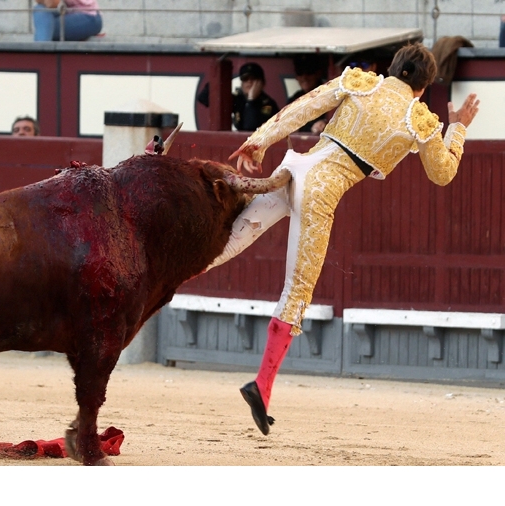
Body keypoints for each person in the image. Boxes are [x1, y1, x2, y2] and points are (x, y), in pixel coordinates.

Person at [206, 43, 480, 436]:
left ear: (392, 68)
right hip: (318, 195)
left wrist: (260, 140)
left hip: (295, 167)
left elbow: (305, 107)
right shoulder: (418, 118)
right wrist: (458, 128)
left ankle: (164, 272)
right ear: (422, 88)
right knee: (296, 292)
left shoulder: (361, 82)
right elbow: (442, 173)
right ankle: (261, 387)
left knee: (225, 246)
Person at [197, 62, 280, 131]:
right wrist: (220, 81)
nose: (249, 82)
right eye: (245, 79)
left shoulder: (268, 104)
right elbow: (203, 98)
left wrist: (251, 100)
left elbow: (250, 127)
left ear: (262, 83)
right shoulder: (239, 99)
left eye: (253, 79)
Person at [288, 54, 327, 134]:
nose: (304, 77)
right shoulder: (294, 100)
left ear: (318, 73)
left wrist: (324, 123)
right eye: (300, 72)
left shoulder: (328, 95)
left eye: (309, 71)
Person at [33, 0, 102, 42]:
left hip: (89, 17)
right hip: (67, 12)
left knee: (45, 28)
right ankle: (40, 54)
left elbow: (53, 2)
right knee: (40, 9)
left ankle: (41, 58)